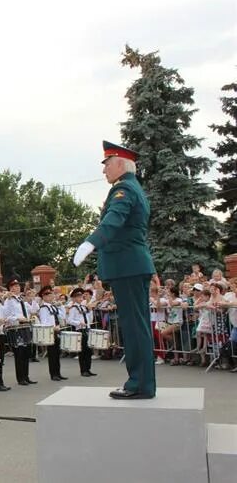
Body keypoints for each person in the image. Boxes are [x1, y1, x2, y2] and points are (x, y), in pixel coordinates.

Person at [74, 140, 156, 399]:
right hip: (132, 265)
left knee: (134, 328)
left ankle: (138, 385)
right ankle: (142, 383)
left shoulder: (124, 189)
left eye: (107, 163)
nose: (104, 170)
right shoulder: (133, 187)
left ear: (120, 163)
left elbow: (114, 220)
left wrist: (91, 242)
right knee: (138, 327)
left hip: (127, 266)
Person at [37, 286, 67, 381]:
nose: (51, 296)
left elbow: (62, 315)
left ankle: (58, 373)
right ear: (44, 297)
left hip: (57, 331)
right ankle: (53, 374)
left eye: (51, 294)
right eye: (48, 295)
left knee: (57, 354)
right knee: (52, 354)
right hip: (50, 332)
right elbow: (44, 322)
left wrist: (61, 305)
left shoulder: (53, 306)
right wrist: (53, 328)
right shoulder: (43, 308)